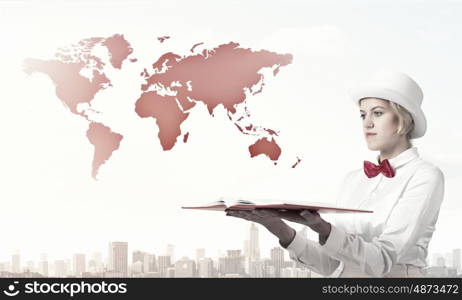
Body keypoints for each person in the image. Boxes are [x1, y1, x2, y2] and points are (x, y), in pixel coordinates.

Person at [226, 69, 445, 277]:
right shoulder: (353, 180)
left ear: (404, 121)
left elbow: (382, 260)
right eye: (362, 115)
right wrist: (279, 228)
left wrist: (323, 228)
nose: (367, 123)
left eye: (378, 113)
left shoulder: (425, 176)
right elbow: (334, 265)